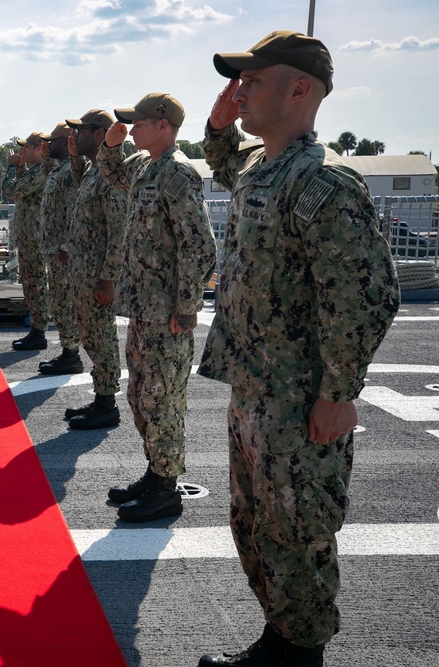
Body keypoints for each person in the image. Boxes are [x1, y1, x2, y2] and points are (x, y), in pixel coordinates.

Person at [197, 31, 399, 666]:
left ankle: (299, 652)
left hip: (298, 399)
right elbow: (226, 169)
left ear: (300, 90)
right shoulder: (265, 168)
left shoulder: (324, 181)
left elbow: (366, 296)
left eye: (253, 80)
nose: (240, 90)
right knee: (254, 528)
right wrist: (219, 125)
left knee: (298, 531)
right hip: (254, 387)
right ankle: (279, 641)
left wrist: (338, 395)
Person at [97, 93, 216, 520]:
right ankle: (156, 471)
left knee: (161, 400)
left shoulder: (178, 174)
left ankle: (166, 489)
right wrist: (111, 146)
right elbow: (111, 175)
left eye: (139, 123)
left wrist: (186, 308)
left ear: (163, 125)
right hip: (144, 311)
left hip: (167, 314)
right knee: (140, 397)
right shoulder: (147, 167)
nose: (132, 130)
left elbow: (199, 247)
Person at [60, 110, 126, 430]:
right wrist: (74, 158)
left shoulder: (112, 175)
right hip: (84, 272)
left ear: (100, 135)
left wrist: (108, 278)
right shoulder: (95, 170)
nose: (76, 136)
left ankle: (107, 404)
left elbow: (118, 231)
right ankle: (101, 395)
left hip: (97, 275)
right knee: (91, 336)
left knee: (102, 336)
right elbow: (80, 185)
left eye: (82, 130)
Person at [36, 121, 86, 376]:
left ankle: (71, 354)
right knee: (58, 303)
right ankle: (68, 351)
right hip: (53, 250)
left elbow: (74, 211)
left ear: (65, 143)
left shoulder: (71, 173)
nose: (48, 146)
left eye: (52, 142)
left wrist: (66, 246)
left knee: (65, 304)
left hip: (62, 253)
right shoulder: (60, 169)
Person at [2, 131, 51, 351]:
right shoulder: (36, 171)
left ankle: (39, 331)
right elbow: (23, 189)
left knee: (36, 285)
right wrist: (20, 166)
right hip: (29, 239)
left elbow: (12, 190)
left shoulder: (42, 171)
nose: (23, 152)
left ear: (40, 149)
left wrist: (12, 166)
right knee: (31, 285)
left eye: (27, 148)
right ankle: (36, 328)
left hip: (35, 240)